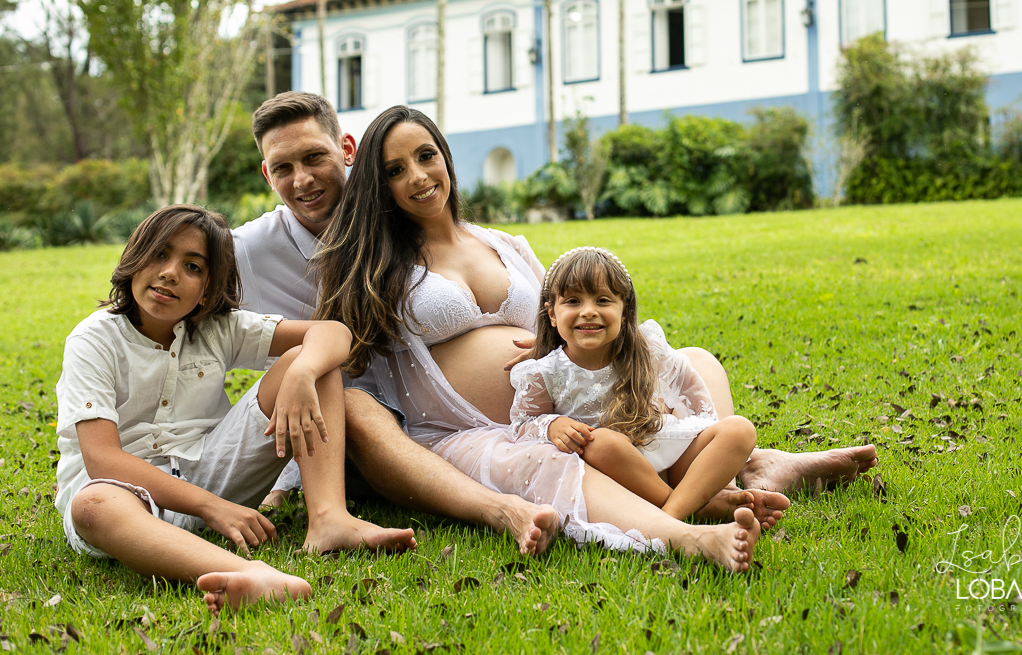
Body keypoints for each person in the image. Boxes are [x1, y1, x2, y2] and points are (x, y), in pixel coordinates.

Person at [315, 107, 773, 569]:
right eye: (395, 170)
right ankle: (690, 536)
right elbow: (340, 368)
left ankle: (716, 487)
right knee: (549, 459)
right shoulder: (373, 269)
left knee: (697, 361)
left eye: (426, 156)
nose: (417, 176)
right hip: (472, 430)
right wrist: (291, 479)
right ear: (380, 187)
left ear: (445, 157)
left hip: (575, 396)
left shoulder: (504, 244)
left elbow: (567, 313)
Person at [233, 92, 558, 556]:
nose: (302, 179)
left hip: (456, 411)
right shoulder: (250, 250)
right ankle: (494, 509)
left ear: (347, 150)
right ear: (267, 175)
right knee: (348, 398)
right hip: (359, 434)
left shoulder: (399, 221)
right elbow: (170, 299)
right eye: (283, 168)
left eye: (314, 157)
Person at [54, 206, 415, 615]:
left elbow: (332, 332)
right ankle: (252, 575)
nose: (170, 273)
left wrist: (303, 371)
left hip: (208, 470)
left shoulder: (217, 327)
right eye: (159, 254)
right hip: (125, 495)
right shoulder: (93, 339)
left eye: (193, 267)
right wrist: (212, 508)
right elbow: (103, 460)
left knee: (314, 362)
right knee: (93, 506)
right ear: (134, 259)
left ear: (207, 290)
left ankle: (330, 518)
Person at [510, 246, 759, 522]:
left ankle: (677, 509)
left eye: (603, 300)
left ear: (625, 311)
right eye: (573, 301)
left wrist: (702, 435)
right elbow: (520, 425)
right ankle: (686, 510)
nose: (589, 311)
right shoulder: (545, 372)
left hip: (667, 452)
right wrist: (551, 425)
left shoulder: (647, 348)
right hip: (618, 471)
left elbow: (691, 390)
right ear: (552, 314)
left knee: (739, 429)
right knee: (600, 441)